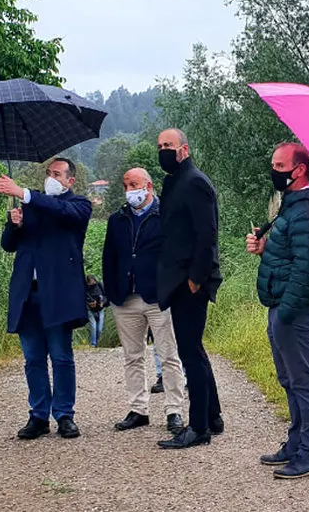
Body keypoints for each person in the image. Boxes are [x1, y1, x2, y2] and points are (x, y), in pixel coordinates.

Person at [245, 143, 309, 479]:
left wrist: (285, 311)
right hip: (281, 305)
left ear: (299, 170)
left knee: (303, 381)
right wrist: (263, 247)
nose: (274, 170)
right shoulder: (293, 205)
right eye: (273, 163)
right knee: (289, 380)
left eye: (280, 165)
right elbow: (288, 255)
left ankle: (308, 454)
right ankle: (295, 442)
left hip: (295, 309)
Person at [0, 158, 92, 440]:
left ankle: (64, 414)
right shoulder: (31, 206)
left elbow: (60, 211)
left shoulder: (78, 205)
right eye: (48, 173)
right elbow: (9, 246)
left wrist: (22, 192)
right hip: (28, 293)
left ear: (70, 180)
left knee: (61, 357)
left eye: (56, 174)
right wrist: (14, 225)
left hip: (57, 295)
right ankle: (38, 415)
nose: (50, 177)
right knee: (33, 358)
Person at [102, 167, 187, 436]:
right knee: (132, 356)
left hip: (158, 296)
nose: (129, 190)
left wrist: (173, 288)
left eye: (134, 184)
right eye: (126, 185)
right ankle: (138, 409)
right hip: (125, 297)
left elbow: (177, 254)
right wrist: (111, 290)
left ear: (149, 187)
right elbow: (109, 256)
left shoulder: (166, 216)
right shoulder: (118, 219)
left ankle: (175, 410)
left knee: (169, 355)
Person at [154, 128, 224, 450]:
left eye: (168, 145)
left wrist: (196, 278)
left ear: (184, 149)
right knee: (193, 349)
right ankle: (212, 416)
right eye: (160, 146)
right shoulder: (175, 181)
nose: (163, 150)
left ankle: (198, 428)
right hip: (179, 278)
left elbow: (207, 235)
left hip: (191, 282)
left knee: (190, 353)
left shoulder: (195, 181)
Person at [85, 275, 107, 347]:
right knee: (93, 326)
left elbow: (106, 296)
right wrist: (89, 303)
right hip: (90, 310)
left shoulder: (100, 285)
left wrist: (102, 302)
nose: (92, 284)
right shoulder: (85, 288)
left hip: (100, 309)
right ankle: (93, 344)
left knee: (100, 328)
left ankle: (98, 342)